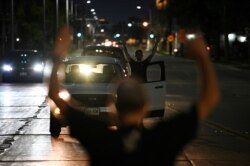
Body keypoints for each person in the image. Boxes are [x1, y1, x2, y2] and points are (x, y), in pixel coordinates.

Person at [48, 26, 220, 166]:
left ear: (113, 106)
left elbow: (54, 95)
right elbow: (210, 97)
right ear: (145, 105)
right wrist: (202, 57)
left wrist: (57, 57)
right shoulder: (163, 139)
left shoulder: (98, 137)